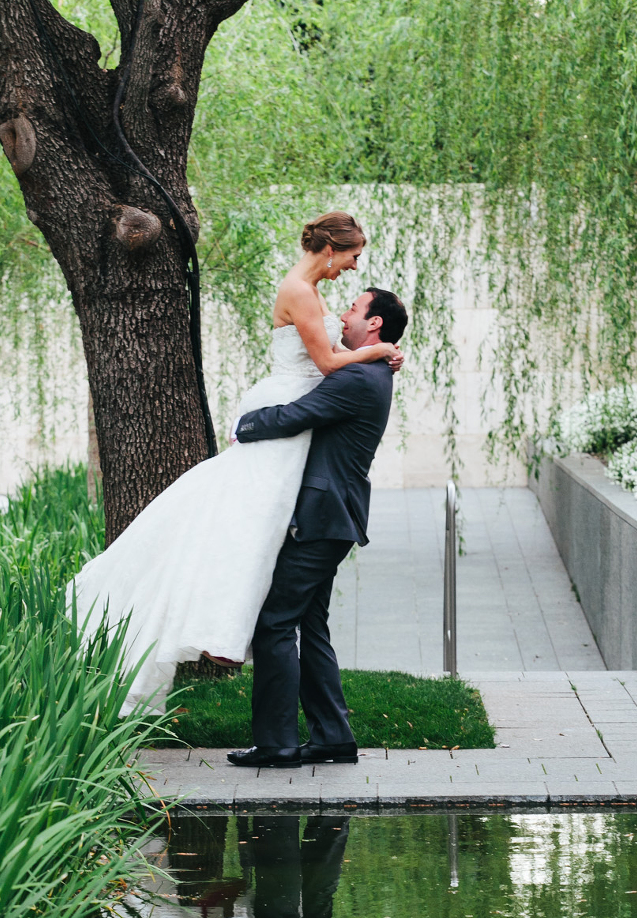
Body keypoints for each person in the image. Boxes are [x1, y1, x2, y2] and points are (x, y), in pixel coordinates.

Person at [67, 211, 402, 715]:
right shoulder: (300, 291)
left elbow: (329, 354)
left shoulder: (312, 293)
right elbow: (331, 363)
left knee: (260, 531)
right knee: (247, 525)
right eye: (353, 258)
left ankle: (232, 635)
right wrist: (378, 350)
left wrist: (381, 354)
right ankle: (221, 631)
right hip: (286, 412)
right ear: (331, 249)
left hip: (298, 415)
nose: (352, 269)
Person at [226, 286, 408, 770]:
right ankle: (331, 737)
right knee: (310, 623)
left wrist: (243, 424)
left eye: (353, 308)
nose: (343, 314)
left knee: (275, 623)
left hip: (320, 519)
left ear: (374, 325)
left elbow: (295, 417)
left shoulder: (357, 379)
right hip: (334, 518)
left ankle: (276, 743)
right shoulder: (371, 370)